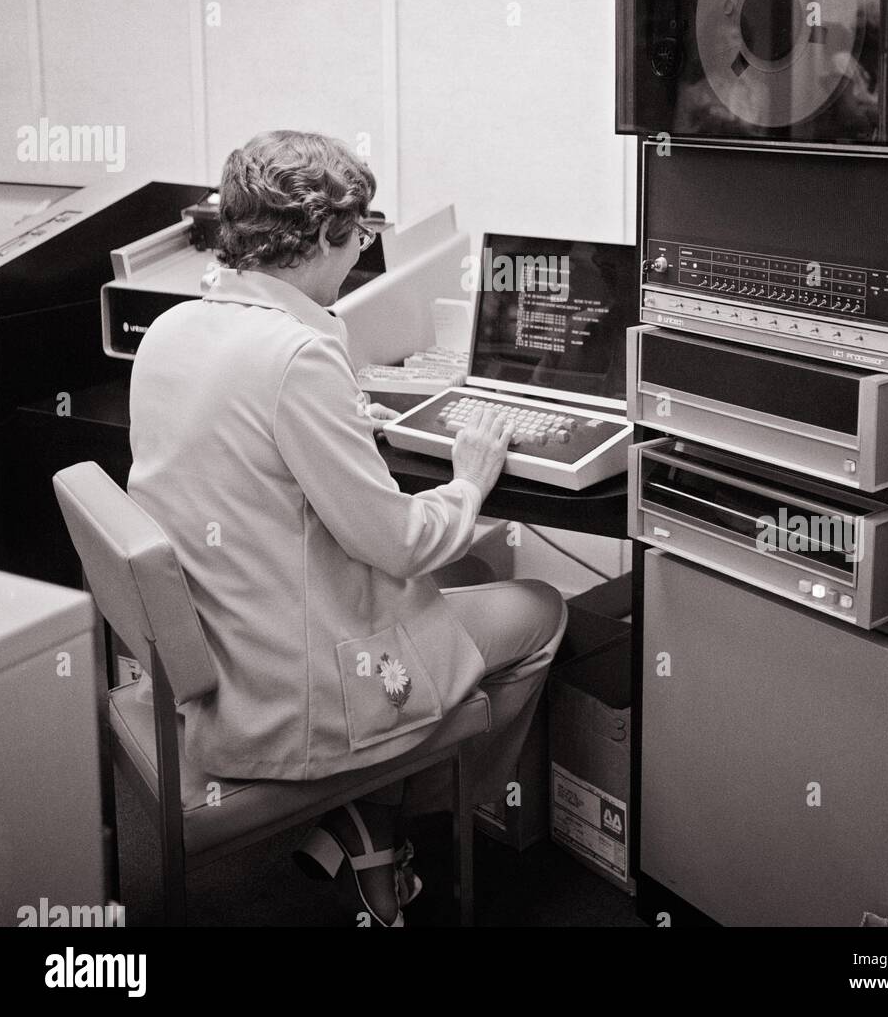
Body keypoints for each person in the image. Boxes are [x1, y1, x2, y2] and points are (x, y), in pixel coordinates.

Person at [126, 129, 567, 926]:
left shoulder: (171, 329)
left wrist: (335, 431)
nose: (361, 251)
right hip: (291, 692)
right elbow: (400, 543)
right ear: (330, 235)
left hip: (216, 654)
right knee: (538, 607)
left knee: (461, 584)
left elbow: (242, 455)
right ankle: (392, 820)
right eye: (360, 235)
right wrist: (468, 483)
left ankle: (366, 813)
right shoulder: (297, 356)